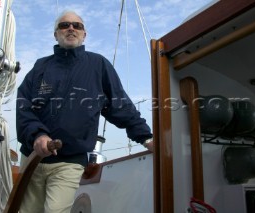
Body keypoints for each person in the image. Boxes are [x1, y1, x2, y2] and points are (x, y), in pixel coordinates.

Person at [16, 10, 153, 213]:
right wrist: (38, 134)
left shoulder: (98, 65)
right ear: (55, 34)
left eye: (77, 25)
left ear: (84, 35)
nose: (71, 28)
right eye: (64, 25)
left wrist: (146, 137)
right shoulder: (40, 67)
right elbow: (23, 105)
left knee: (55, 211)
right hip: (32, 159)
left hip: (69, 161)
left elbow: (120, 104)